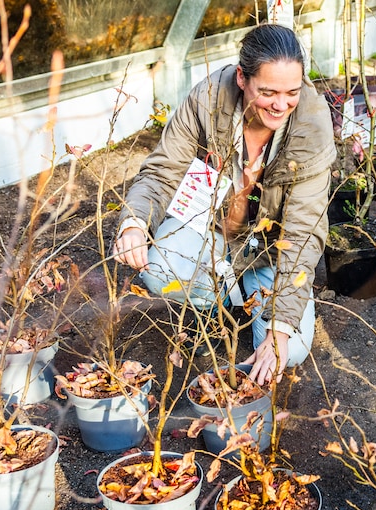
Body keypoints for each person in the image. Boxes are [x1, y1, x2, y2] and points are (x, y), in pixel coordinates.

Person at [111, 24, 334, 386]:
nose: (281, 104)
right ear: (242, 78)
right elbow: (164, 170)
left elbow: (304, 232)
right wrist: (135, 222)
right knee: (159, 268)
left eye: (292, 91)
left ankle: (250, 294)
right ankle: (214, 311)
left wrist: (279, 327)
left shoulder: (311, 124)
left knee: (288, 351)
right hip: (211, 231)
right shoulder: (209, 100)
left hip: (270, 253)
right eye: (268, 92)